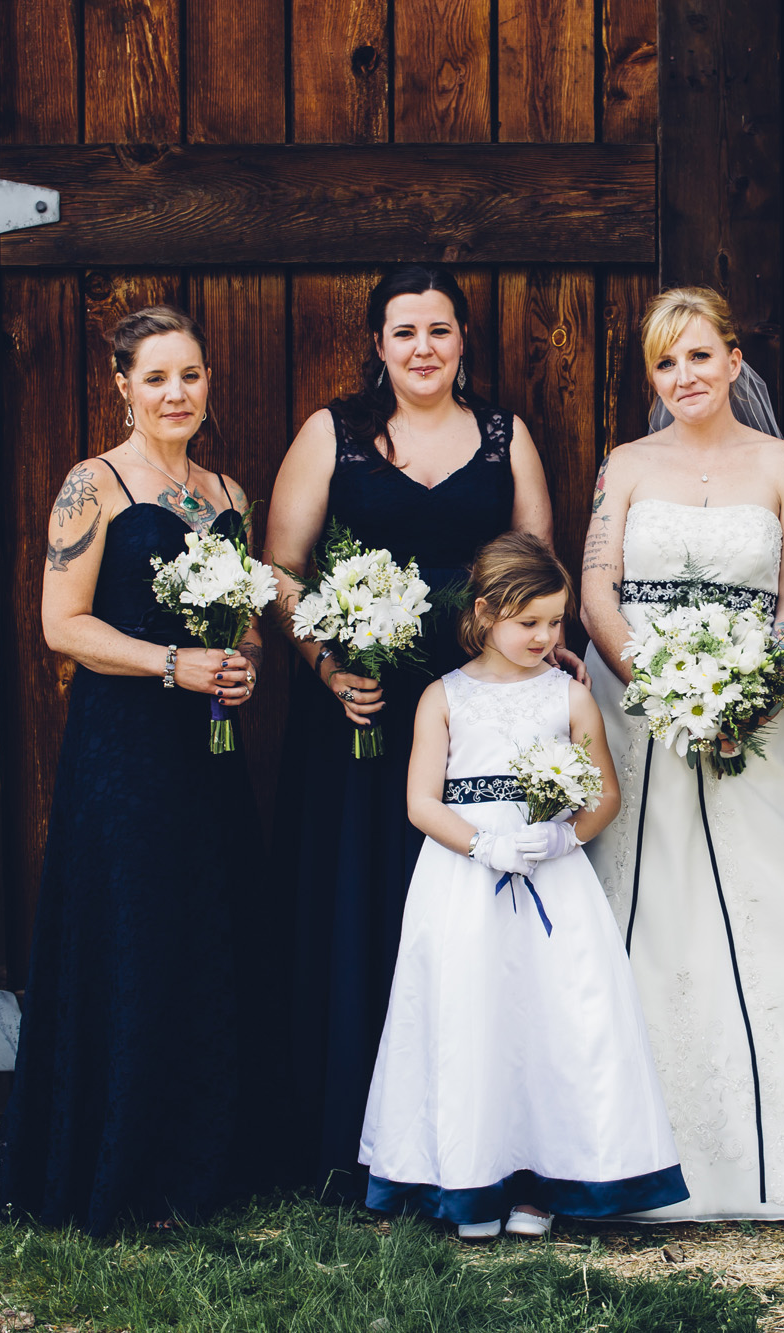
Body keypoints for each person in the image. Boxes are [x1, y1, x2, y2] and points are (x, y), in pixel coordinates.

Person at [265, 265, 583, 1202]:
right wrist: (329, 665)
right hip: (365, 706)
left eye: (439, 330)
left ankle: (485, 1131)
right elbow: (282, 565)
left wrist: (543, 654)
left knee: (474, 911)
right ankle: (358, 1135)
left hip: (481, 709)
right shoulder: (334, 433)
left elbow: (538, 566)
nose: (423, 348)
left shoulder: (504, 435)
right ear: (378, 345)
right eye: (404, 332)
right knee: (367, 900)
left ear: (463, 338)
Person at [580, 286, 784, 1220]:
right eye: (666, 363)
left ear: (734, 360)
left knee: (775, 901)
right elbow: (596, 592)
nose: (684, 378)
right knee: (648, 903)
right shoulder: (622, 464)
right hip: (641, 713)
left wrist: (751, 693)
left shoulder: (783, 464)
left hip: (758, 714)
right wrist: (663, 690)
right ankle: (627, 1149)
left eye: (699, 356)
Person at [0, 306, 263, 1233]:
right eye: (156, 378)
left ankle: (200, 1160)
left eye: (190, 375)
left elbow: (246, 614)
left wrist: (236, 661)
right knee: (132, 932)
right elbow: (61, 624)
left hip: (208, 752)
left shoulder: (229, 492)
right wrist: (169, 663)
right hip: (124, 747)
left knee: (206, 926)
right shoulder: (91, 485)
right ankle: (113, 1163)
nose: (176, 394)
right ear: (122, 385)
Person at [361, 533, 686, 1239]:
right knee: (470, 1014)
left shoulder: (568, 697)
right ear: (484, 613)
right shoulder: (441, 696)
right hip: (463, 880)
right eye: (528, 621)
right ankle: (468, 1176)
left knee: (550, 1019)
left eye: (556, 621)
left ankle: (543, 1181)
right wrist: (486, 843)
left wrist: (565, 836)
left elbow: (604, 795)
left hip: (552, 882)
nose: (545, 635)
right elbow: (421, 802)